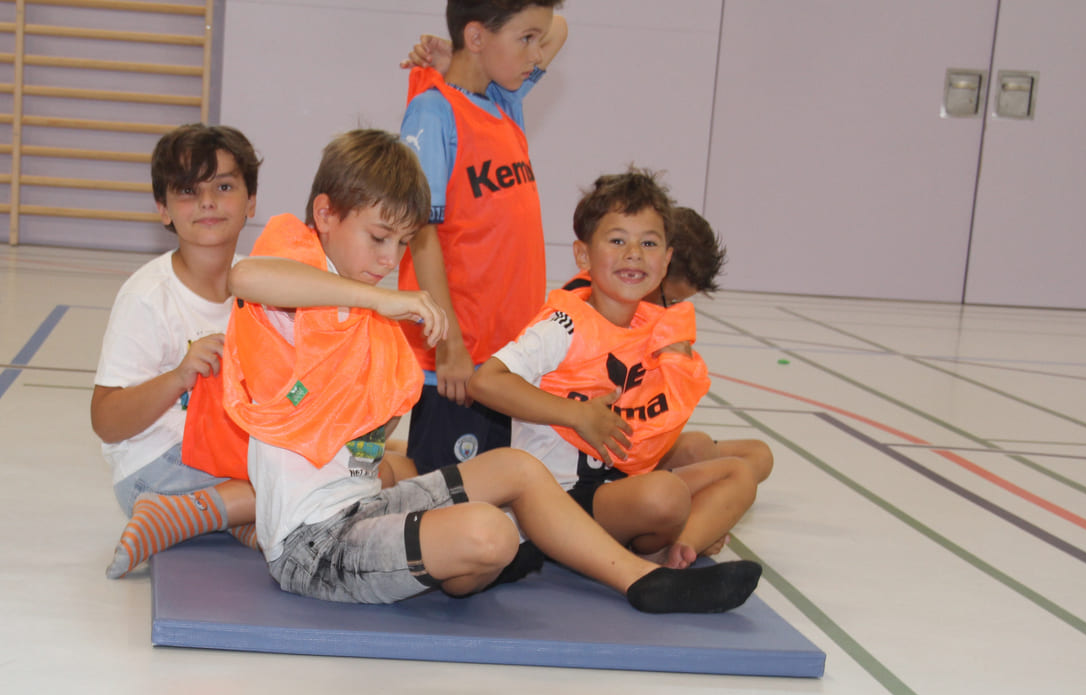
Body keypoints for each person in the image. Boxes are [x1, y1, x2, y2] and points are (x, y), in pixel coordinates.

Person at [220, 128, 761, 613]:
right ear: (324, 215)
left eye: (402, 244)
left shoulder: (363, 320)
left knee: (518, 468)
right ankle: (491, 553)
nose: (389, 261)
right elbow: (246, 276)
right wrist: (379, 300)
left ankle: (645, 582)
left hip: (365, 508)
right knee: (491, 534)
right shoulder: (295, 295)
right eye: (379, 237)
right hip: (312, 547)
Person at [468, 169, 759, 570]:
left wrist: (675, 360)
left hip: (615, 489)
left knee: (740, 474)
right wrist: (576, 414)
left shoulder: (653, 329)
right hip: (555, 497)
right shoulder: (563, 325)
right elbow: (485, 381)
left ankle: (677, 552)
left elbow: (655, 428)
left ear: (666, 259)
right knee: (666, 495)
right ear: (584, 255)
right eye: (618, 240)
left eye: (649, 243)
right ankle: (653, 548)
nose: (634, 253)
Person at [396, 1, 567, 475]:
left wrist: (460, 53)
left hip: (507, 364)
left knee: (502, 496)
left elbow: (562, 28)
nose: (536, 54)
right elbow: (421, 235)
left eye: (537, 40)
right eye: (525, 40)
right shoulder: (433, 110)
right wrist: (448, 344)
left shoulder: (503, 102)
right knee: (444, 505)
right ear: (476, 37)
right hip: (457, 365)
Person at [91, 123, 261, 579]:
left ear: (251, 202)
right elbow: (106, 421)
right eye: (189, 190)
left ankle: (236, 518)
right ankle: (210, 512)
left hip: (226, 461)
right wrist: (178, 377)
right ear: (163, 209)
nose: (207, 202)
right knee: (307, 485)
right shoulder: (148, 296)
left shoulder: (264, 286)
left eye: (224, 186)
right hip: (156, 471)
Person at [563, 206, 775, 488]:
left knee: (759, 455)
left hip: (628, 447)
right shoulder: (587, 308)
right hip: (589, 458)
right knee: (704, 455)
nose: (670, 311)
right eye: (670, 301)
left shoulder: (644, 317)